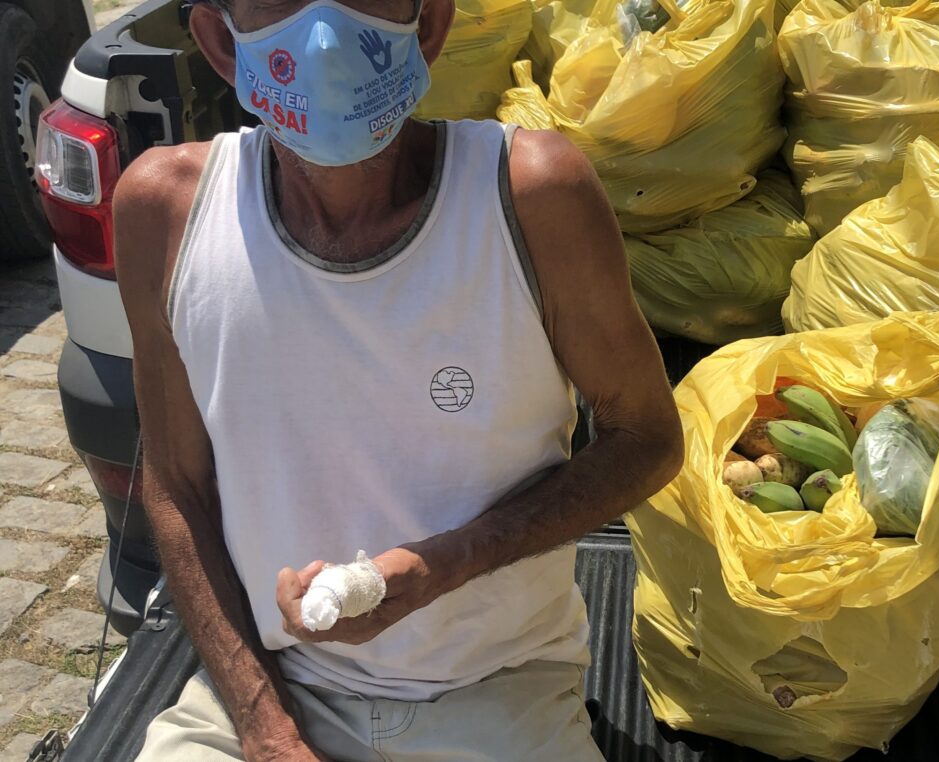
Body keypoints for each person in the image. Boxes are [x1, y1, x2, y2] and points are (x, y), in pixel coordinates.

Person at [113, 0, 684, 759]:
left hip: (498, 688)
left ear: (430, 24)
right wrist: (264, 725)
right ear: (221, 39)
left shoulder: (532, 195)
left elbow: (647, 438)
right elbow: (174, 483)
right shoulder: (166, 212)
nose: (323, 34)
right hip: (274, 687)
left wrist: (448, 564)